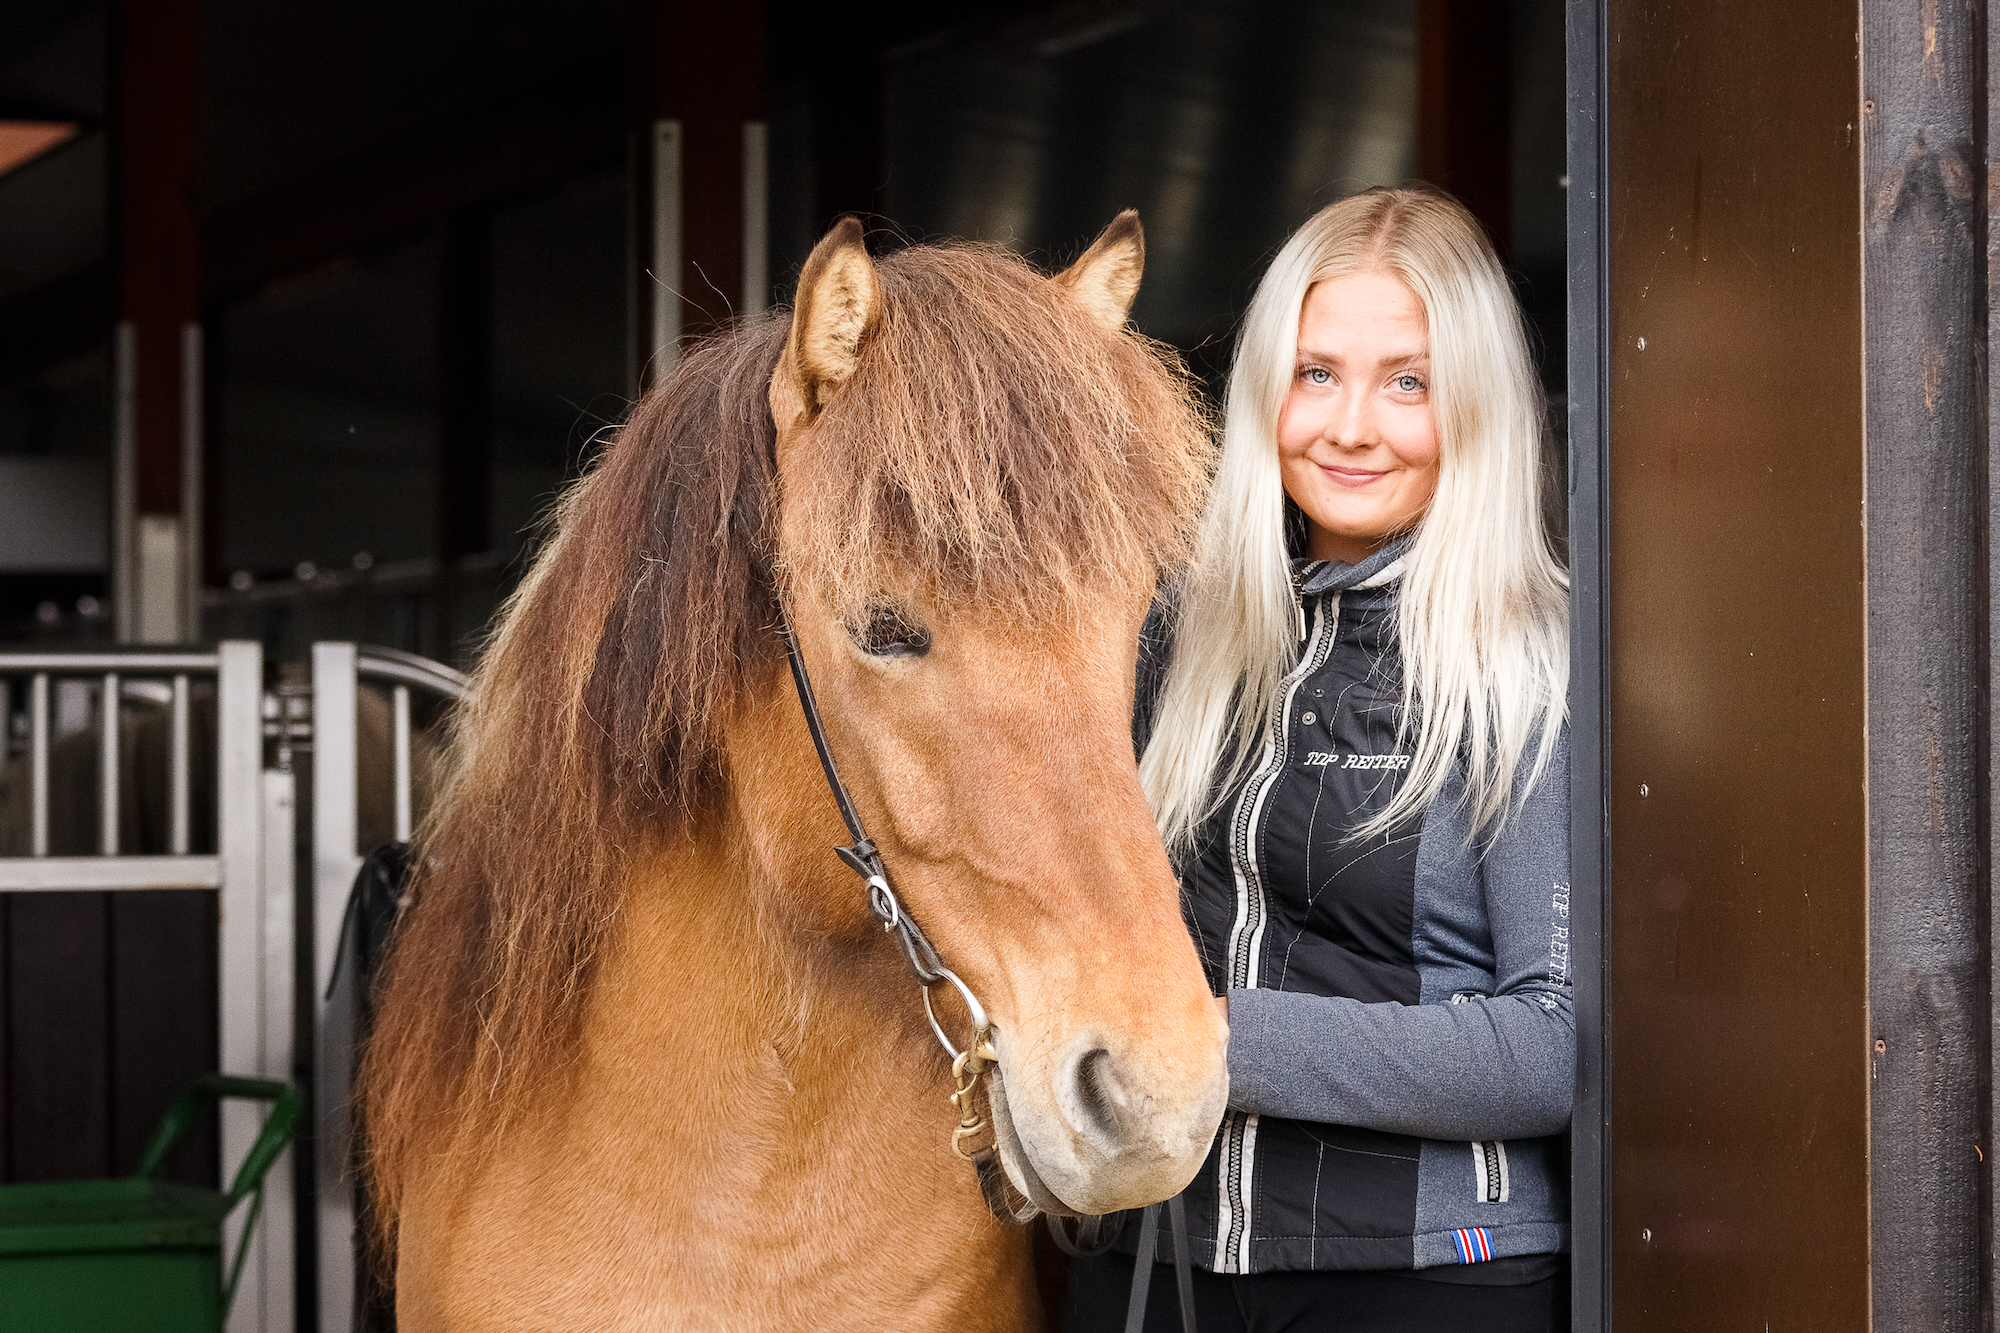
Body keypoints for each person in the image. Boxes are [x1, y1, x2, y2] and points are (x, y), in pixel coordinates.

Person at [1068, 187, 1572, 1332]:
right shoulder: (1170, 640)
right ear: (1264, 397)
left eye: (1408, 382)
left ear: (1475, 406)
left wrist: (1212, 1037)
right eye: (1314, 374)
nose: (1351, 425)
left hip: (1426, 1278)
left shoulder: (1522, 666)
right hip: (1157, 1258)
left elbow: (1545, 1045)